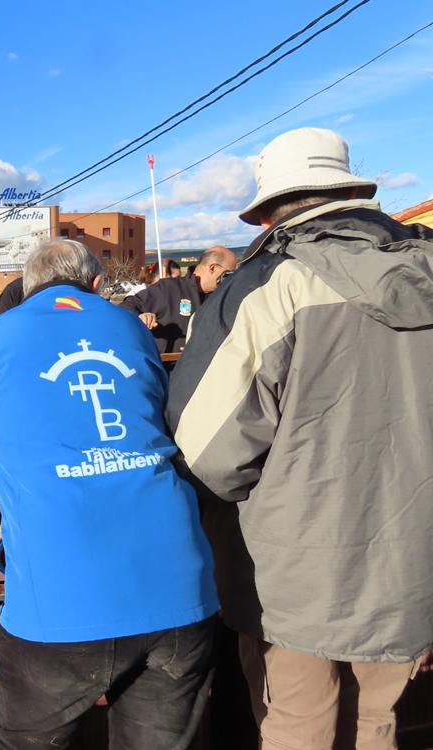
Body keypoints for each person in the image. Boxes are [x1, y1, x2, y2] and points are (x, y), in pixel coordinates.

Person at [166, 127, 433, 750]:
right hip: (411, 566)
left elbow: (210, 453)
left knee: (297, 727)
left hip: (293, 579)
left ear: (265, 211)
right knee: (379, 726)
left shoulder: (269, 286)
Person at [0, 239, 218, 750]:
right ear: (98, 285)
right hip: (179, 594)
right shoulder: (128, 327)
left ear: (26, 288)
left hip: (57, 608)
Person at [120, 246, 236, 354]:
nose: (232, 279)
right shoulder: (168, 288)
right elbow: (126, 307)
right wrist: (140, 317)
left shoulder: (221, 298)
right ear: (213, 268)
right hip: (168, 371)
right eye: (229, 274)